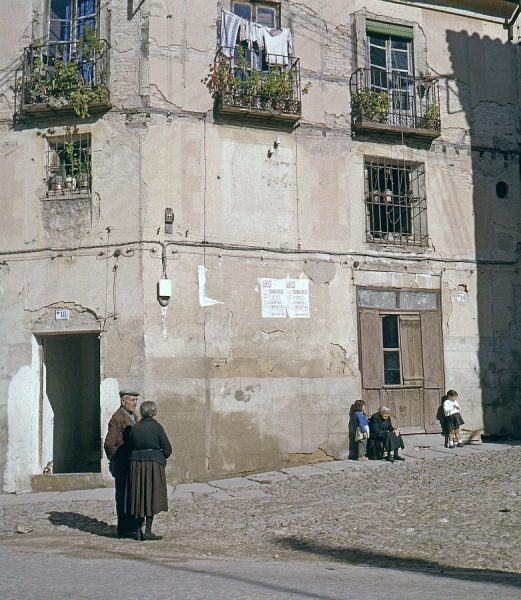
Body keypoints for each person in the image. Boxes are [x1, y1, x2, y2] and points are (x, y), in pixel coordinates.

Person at [126, 400, 172, 541]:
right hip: (152, 465)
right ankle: (148, 531)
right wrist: (159, 456)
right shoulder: (157, 427)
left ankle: (138, 530)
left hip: (136, 465)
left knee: (139, 495)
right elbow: (168, 449)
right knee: (151, 495)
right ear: (153, 411)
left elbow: (130, 445)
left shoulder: (135, 427)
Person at [104, 390, 140, 538]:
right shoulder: (118, 418)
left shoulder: (132, 416)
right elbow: (109, 443)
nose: (135, 403)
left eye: (136, 400)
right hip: (122, 465)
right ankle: (124, 528)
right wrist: (116, 459)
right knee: (122, 496)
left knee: (130, 495)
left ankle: (131, 526)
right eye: (132, 400)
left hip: (130, 464)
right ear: (123, 401)